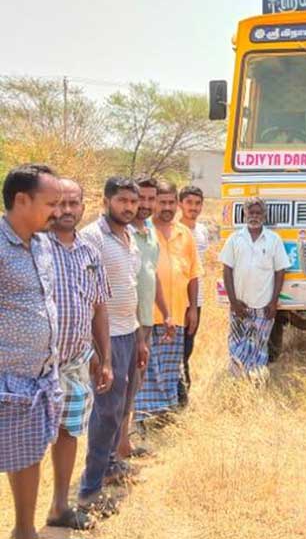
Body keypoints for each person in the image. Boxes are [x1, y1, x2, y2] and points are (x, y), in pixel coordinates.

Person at [0, 164, 63, 539]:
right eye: (50, 202)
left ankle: (25, 531)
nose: (58, 211)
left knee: (28, 454)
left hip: (37, 378)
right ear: (21, 200)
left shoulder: (41, 245)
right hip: (5, 378)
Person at [46, 179, 113, 530]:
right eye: (60, 203)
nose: (67, 210)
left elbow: (100, 307)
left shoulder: (89, 252)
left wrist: (105, 359)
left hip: (75, 361)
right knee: (24, 437)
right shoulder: (35, 246)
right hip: (34, 364)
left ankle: (59, 506)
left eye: (74, 203)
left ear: (84, 206)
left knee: (69, 432)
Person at [78, 176, 145, 510]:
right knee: (105, 412)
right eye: (122, 201)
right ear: (106, 201)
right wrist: (99, 351)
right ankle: (89, 490)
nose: (129, 207)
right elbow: (88, 296)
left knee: (123, 406)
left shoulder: (129, 235)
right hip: (108, 337)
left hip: (130, 332)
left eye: (132, 202)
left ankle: (111, 466)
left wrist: (141, 338)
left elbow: (130, 288)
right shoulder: (92, 237)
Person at [116, 177, 172, 460]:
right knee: (119, 388)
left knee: (133, 385)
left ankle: (123, 446)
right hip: (124, 323)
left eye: (152, 199)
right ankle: (113, 453)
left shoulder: (149, 233)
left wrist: (167, 311)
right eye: (142, 199)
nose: (146, 205)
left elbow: (153, 276)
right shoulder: (121, 235)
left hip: (146, 321)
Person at [134, 181, 200, 421]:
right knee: (147, 366)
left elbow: (193, 274)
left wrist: (193, 308)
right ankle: (141, 418)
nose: (167, 207)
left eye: (171, 202)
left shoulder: (185, 234)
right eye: (162, 202)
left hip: (177, 314)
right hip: (147, 314)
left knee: (170, 369)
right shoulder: (142, 231)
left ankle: (164, 415)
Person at [219, 198, 290, 377]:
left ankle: (255, 384)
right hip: (239, 305)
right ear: (245, 214)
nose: (254, 216)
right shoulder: (235, 239)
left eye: (258, 213)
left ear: (264, 216)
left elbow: (280, 272)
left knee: (258, 346)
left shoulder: (273, 240)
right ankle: (237, 383)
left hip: (263, 306)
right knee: (237, 345)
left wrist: (274, 303)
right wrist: (233, 302)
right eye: (251, 213)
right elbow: (227, 270)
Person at [178, 185, 209, 404]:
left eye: (197, 203)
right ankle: (178, 396)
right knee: (174, 349)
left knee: (188, 348)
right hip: (176, 300)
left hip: (196, 300)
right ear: (180, 204)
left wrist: (194, 306)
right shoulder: (174, 230)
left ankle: (183, 394)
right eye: (189, 203)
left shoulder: (202, 232)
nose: (193, 208)